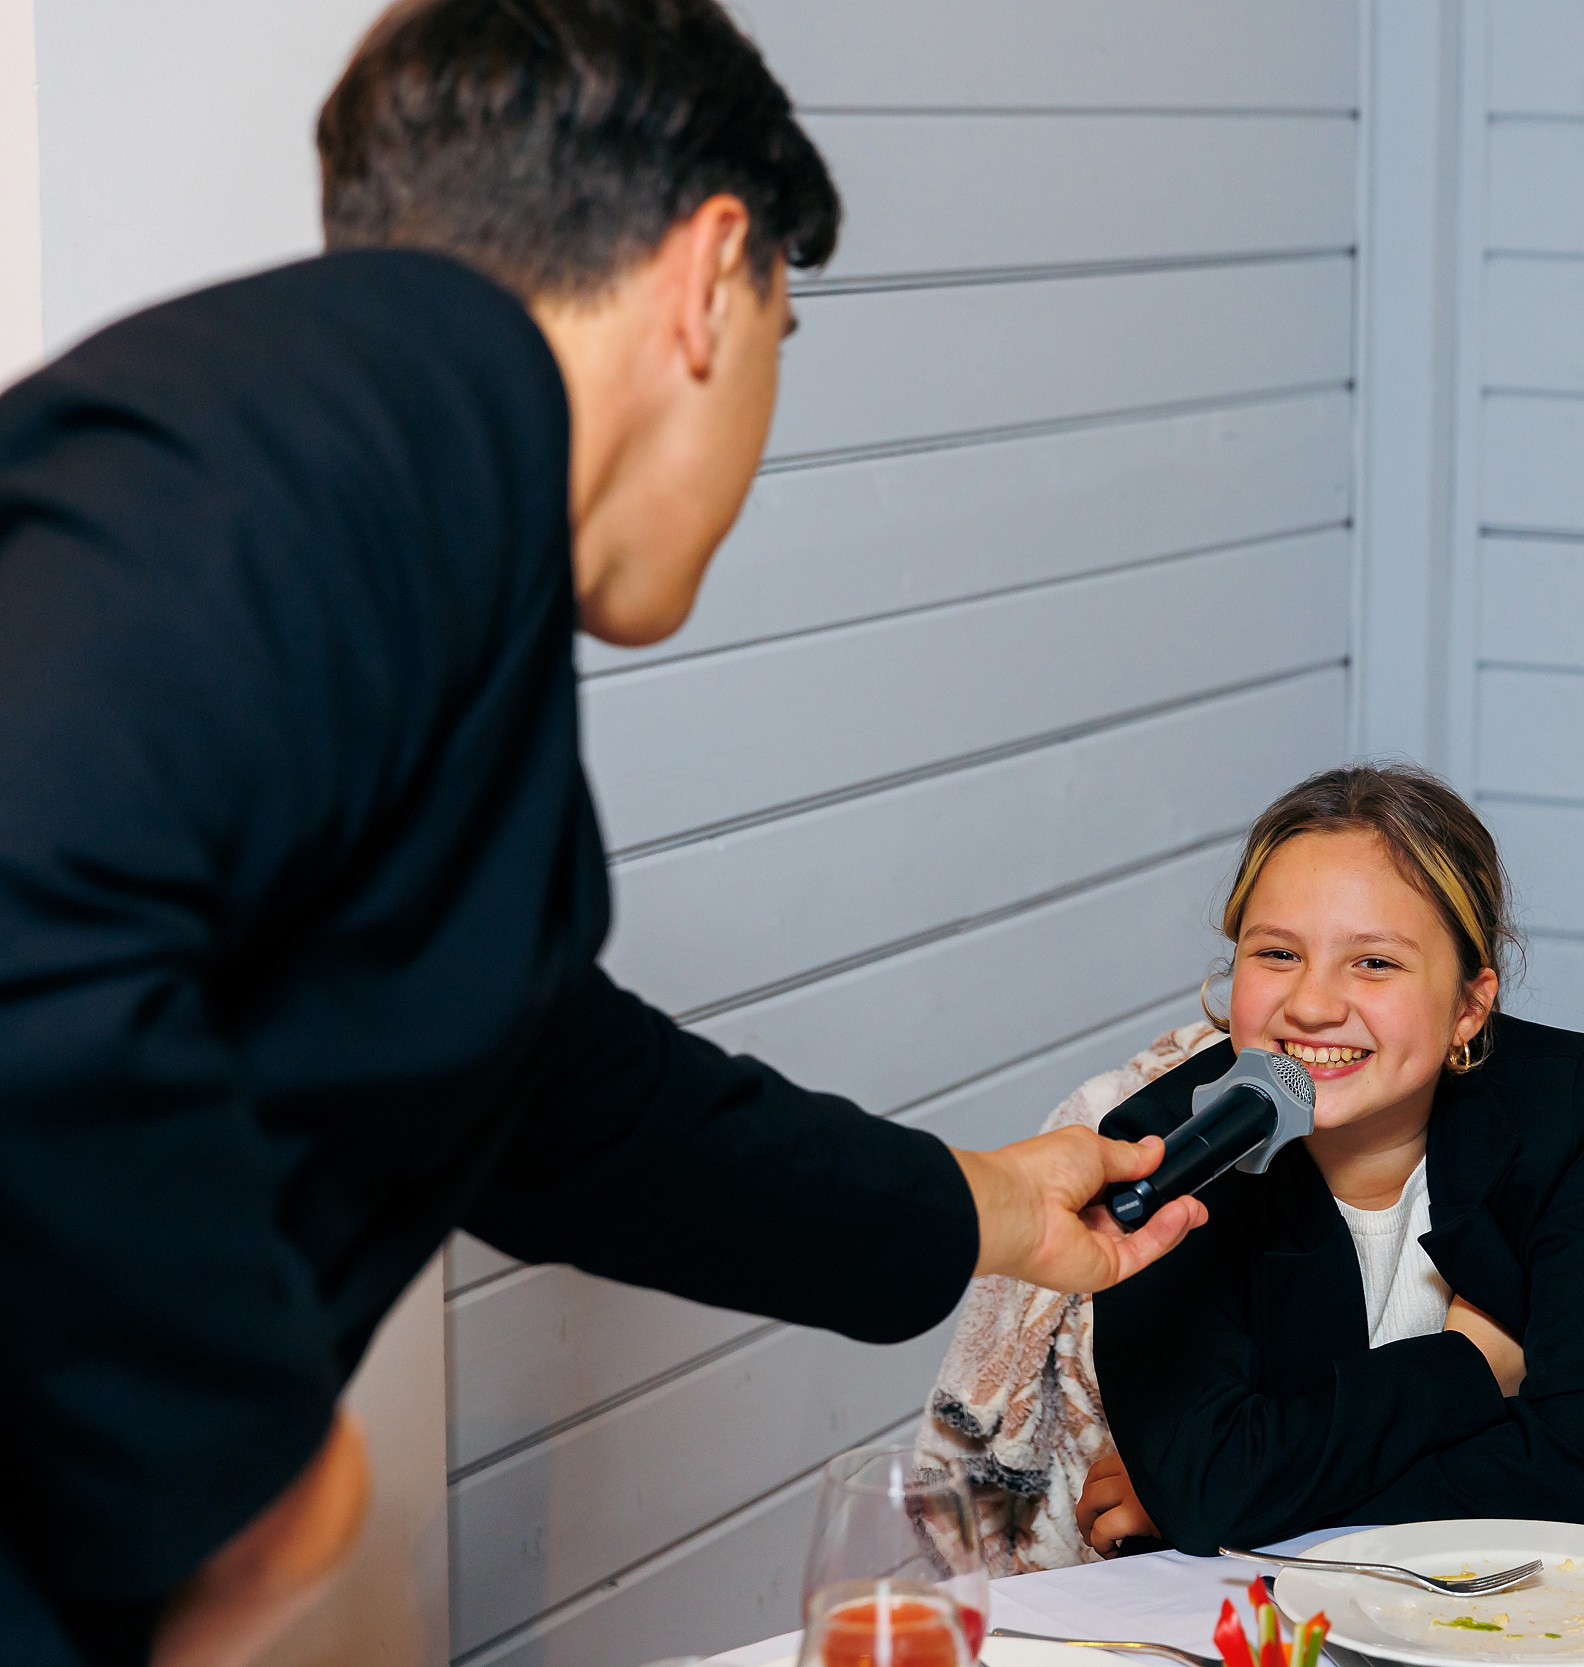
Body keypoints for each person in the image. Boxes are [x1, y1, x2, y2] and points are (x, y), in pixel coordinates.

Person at [0, 4, 1199, 1664]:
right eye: (784, 334)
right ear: (710, 279)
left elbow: (556, 1100)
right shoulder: (273, 447)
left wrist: (980, 1203)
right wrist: (251, 1478)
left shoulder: (416, 487)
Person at [1076, 765, 1584, 1557]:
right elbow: (1209, 1484)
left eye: (1374, 962)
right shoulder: (1164, 1146)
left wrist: (1247, 1490)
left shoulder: (1567, 1102)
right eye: (1278, 953)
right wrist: (1468, 1365)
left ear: (1469, 1006)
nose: (1313, 1004)